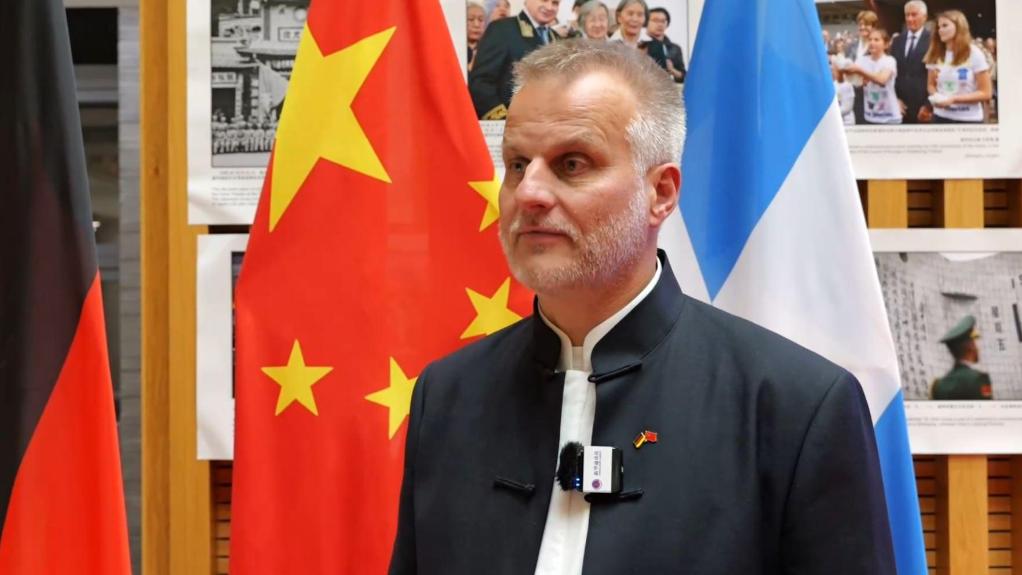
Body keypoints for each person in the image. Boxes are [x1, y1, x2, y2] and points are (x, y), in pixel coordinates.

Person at [389, 40, 896, 575]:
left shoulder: (796, 407)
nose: (529, 192)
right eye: (517, 164)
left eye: (572, 164)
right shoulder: (448, 396)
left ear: (661, 193)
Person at [469, 0, 562, 120]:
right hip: (513, 123)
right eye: (544, 0)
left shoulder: (556, 38)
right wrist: (502, 119)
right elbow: (481, 82)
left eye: (555, 3)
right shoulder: (502, 29)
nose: (549, 7)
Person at [919, 10, 992, 124]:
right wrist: (936, 97)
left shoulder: (974, 53)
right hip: (940, 117)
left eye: (945, 25)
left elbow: (986, 93)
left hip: (969, 120)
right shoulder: (935, 53)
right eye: (938, 27)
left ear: (959, 27)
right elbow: (931, 85)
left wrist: (953, 99)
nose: (940, 30)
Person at [846, 29, 902, 124]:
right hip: (869, 116)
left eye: (876, 40)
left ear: (886, 44)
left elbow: (882, 79)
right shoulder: (862, 60)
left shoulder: (889, 60)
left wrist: (860, 71)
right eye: (870, 40)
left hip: (890, 117)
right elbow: (854, 80)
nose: (872, 43)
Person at [931, 315, 992, 400]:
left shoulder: (938, 386)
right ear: (970, 345)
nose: (977, 347)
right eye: (974, 342)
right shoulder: (979, 379)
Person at [891, 0, 931, 124]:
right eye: (907, 15)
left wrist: (928, 105)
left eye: (914, 15)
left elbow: (936, 77)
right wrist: (894, 99)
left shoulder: (933, 41)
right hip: (899, 107)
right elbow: (892, 73)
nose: (909, 19)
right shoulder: (897, 41)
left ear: (924, 17)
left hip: (923, 108)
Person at [644, 7, 685, 83]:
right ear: (645, 22)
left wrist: (672, 70)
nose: (660, 24)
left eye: (663, 21)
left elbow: (683, 77)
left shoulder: (674, 48)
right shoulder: (639, 44)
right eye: (655, 20)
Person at [466, 1, 487, 71]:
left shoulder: (490, 50)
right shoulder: (455, 49)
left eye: (481, 20)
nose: (476, 25)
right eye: (471, 19)